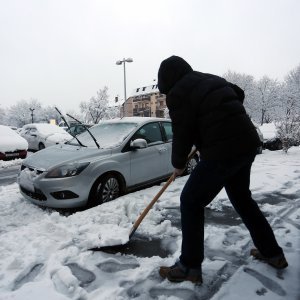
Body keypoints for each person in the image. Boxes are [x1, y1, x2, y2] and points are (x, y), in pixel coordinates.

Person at [157, 56, 288, 284]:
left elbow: (182, 132)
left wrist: (178, 164)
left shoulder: (178, 93)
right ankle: (272, 252)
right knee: (242, 199)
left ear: (168, 81)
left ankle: (189, 266)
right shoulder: (211, 79)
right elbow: (238, 93)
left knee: (190, 201)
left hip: (222, 151)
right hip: (246, 143)